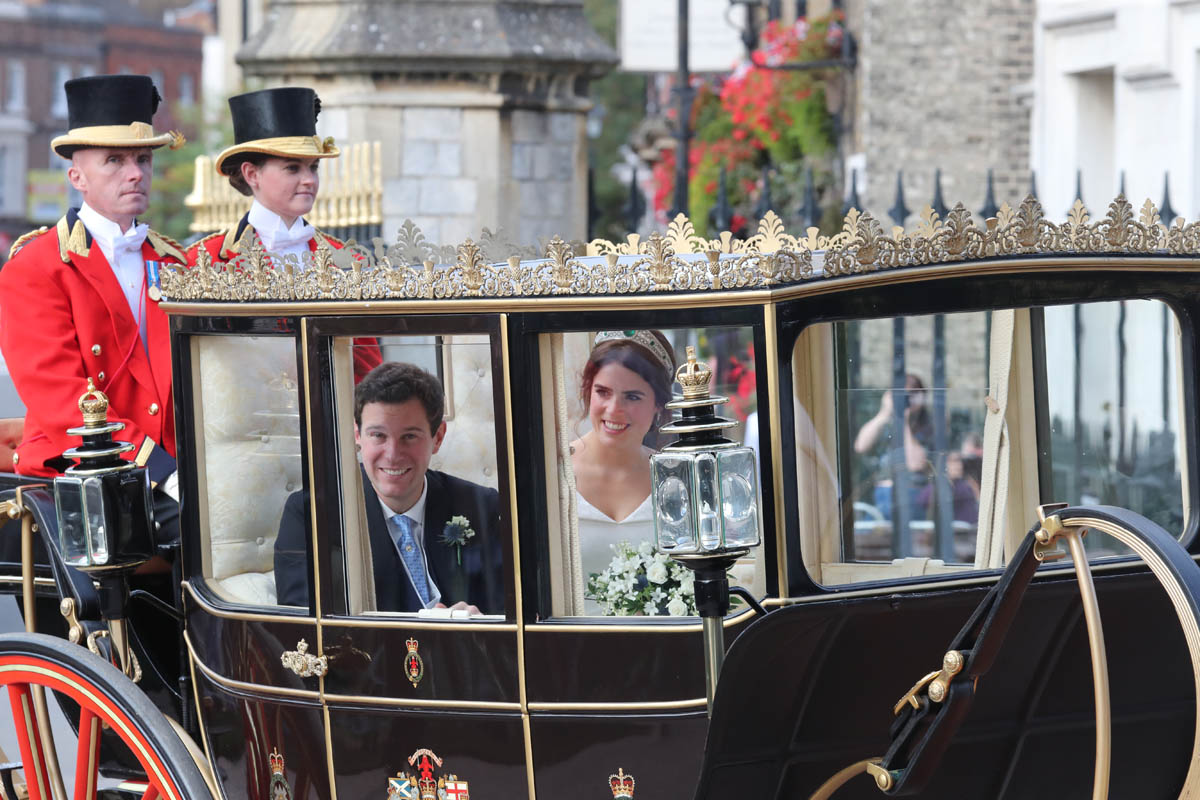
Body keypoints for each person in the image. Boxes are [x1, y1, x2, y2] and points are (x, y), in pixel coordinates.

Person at [0, 75, 184, 544]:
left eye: (143, 159)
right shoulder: (36, 267)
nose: (135, 173)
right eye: (115, 160)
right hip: (86, 468)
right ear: (77, 177)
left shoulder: (175, 262)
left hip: (175, 468)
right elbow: (64, 403)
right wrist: (162, 470)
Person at [274, 362, 502, 614]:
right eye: (378, 435)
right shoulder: (311, 514)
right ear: (357, 435)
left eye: (409, 436)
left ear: (437, 437)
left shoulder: (483, 506)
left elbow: (510, 605)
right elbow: (300, 619)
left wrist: (481, 622)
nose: (393, 455)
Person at [186, 86, 380, 379]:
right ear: (252, 174)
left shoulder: (347, 259)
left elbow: (367, 369)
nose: (309, 180)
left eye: (313, 167)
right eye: (292, 168)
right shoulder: (205, 260)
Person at [572, 330, 675, 584]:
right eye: (603, 392)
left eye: (632, 397)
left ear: (658, 404)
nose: (614, 409)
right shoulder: (553, 474)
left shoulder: (674, 480)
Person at [853, 374, 933, 521]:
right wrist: (884, 413)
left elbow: (915, 464)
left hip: (912, 496)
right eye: (901, 394)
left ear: (921, 398)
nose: (905, 400)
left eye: (911, 395)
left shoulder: (929, 426)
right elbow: (860, 446)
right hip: (882, 494)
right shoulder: (886, 423)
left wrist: (903, 421)